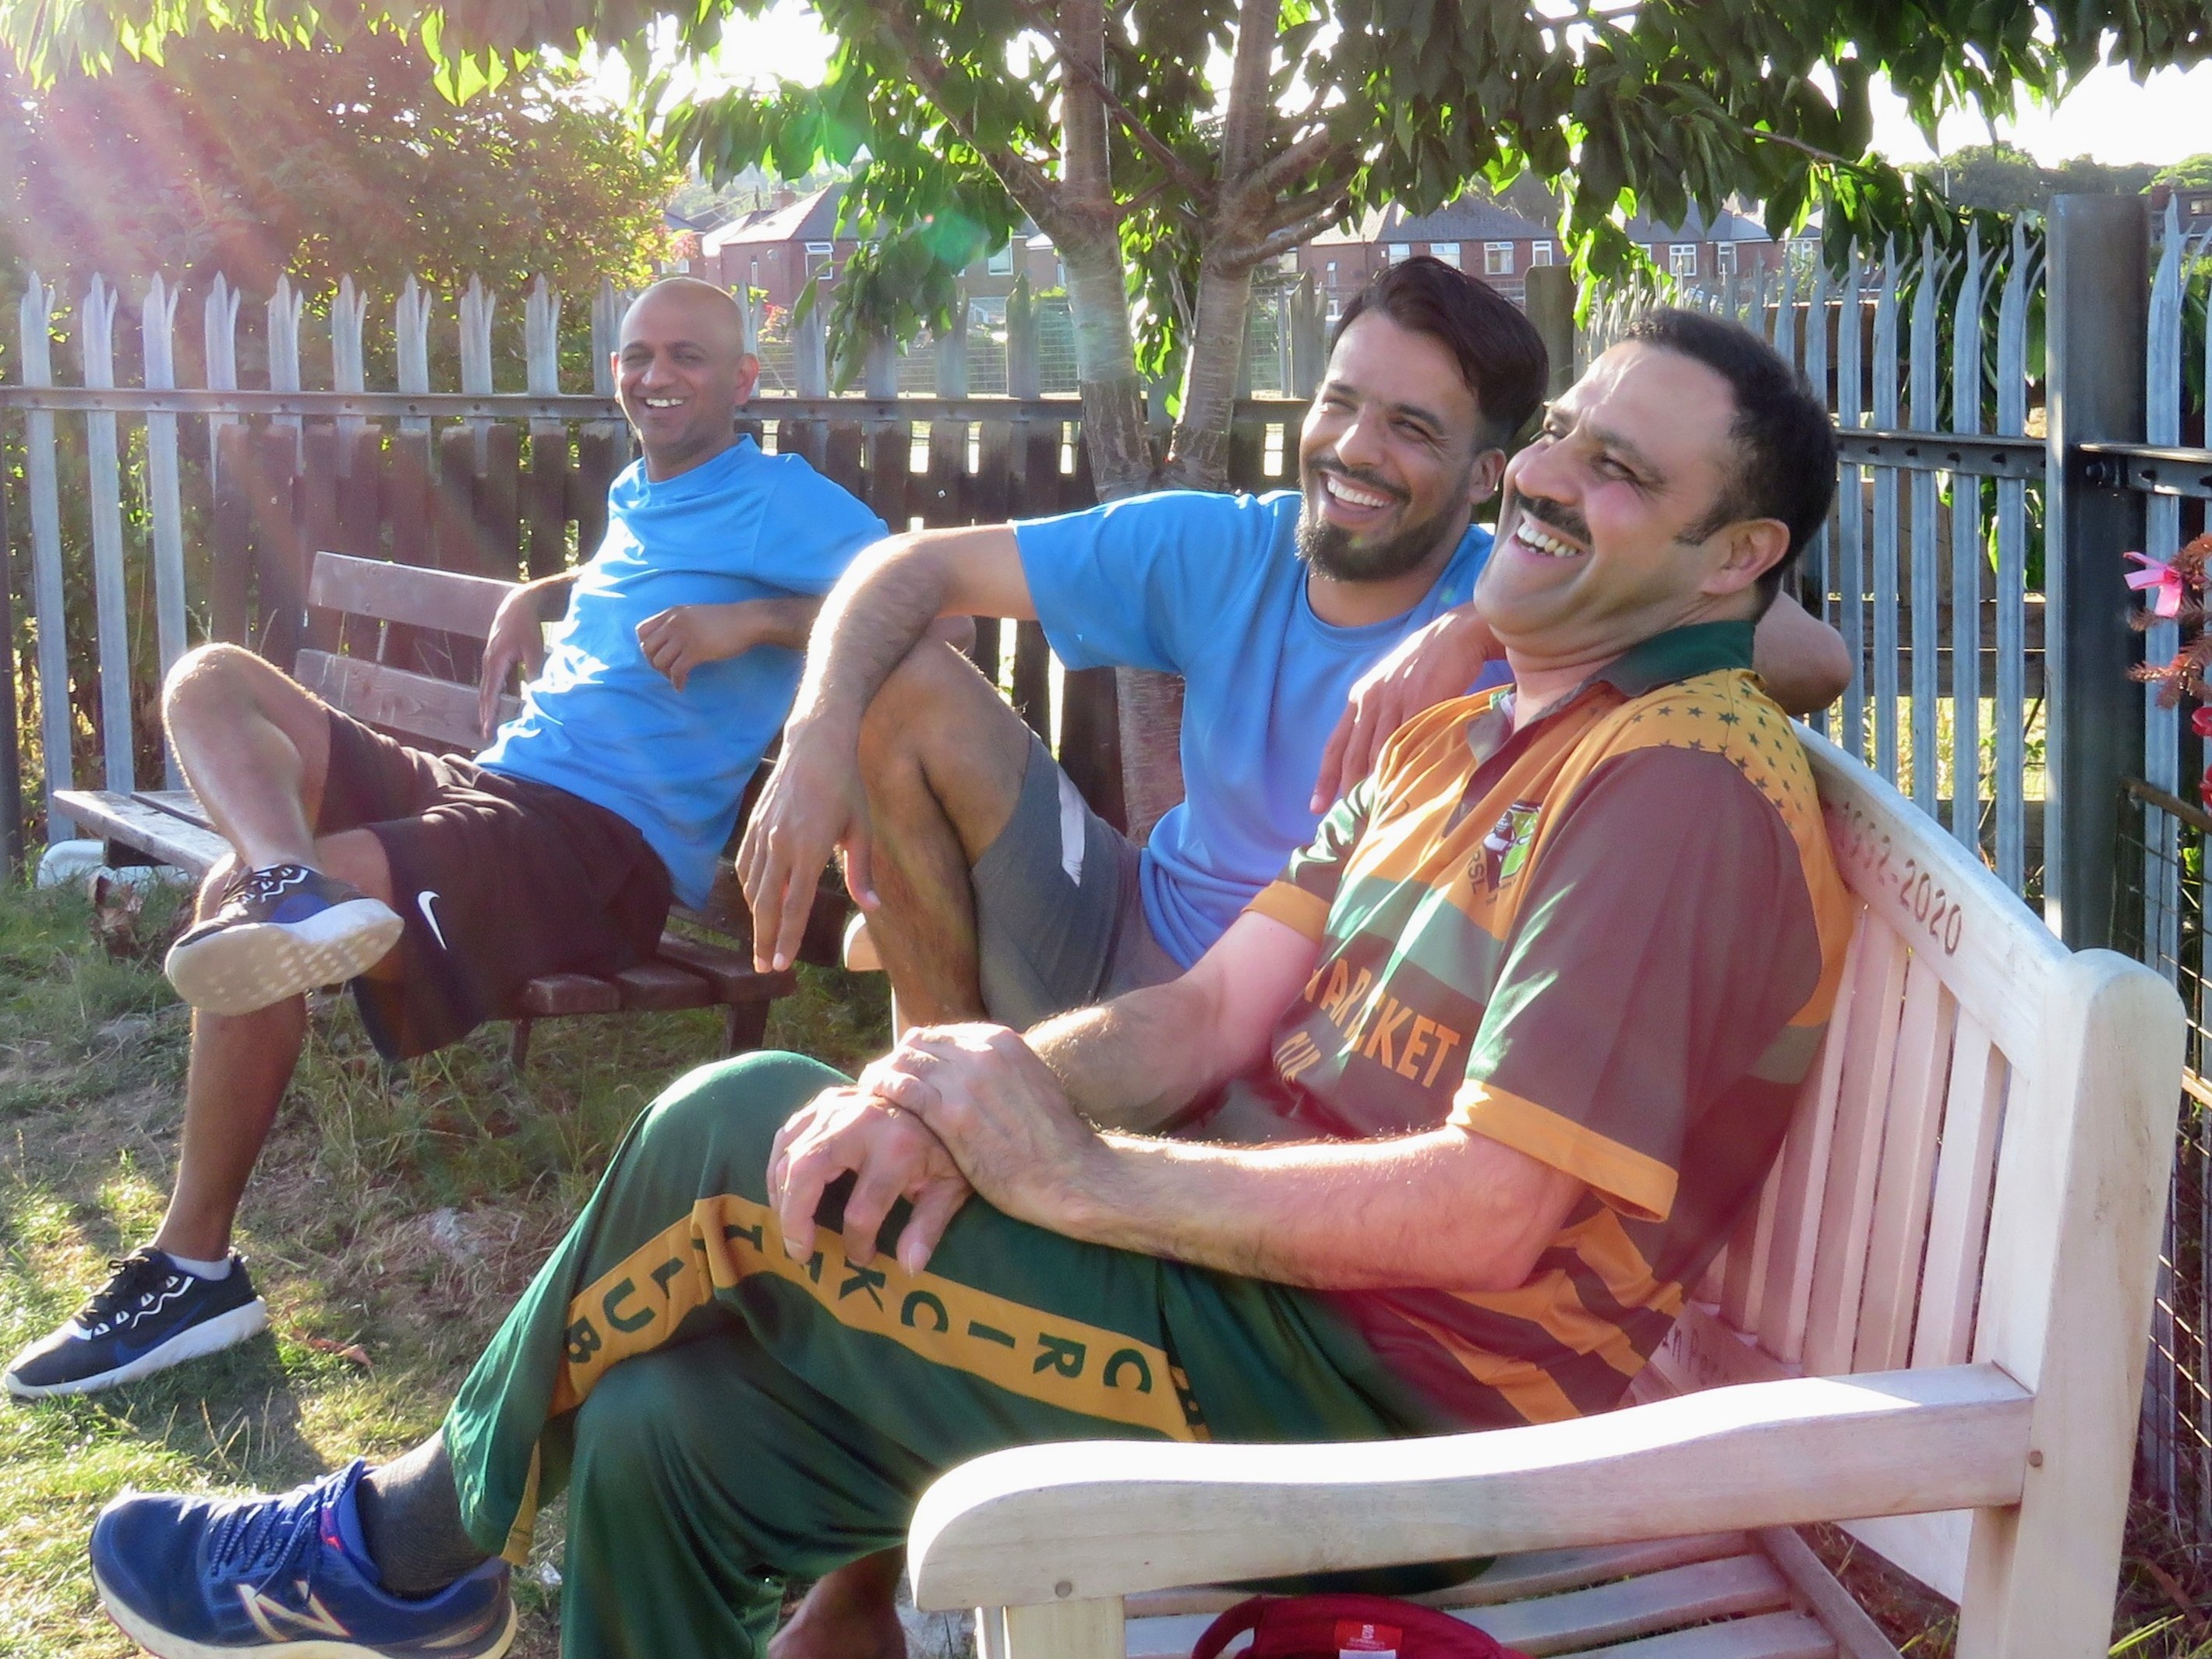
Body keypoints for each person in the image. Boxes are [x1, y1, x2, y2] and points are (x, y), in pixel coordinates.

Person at [86, 308, 1857, 1659]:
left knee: (729, 1129)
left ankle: (398, 1544)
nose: (1551, 478)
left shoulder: (1673, 790)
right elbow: (1210, 1013)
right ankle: (434, 1546)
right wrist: (958, 1095)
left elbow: (1488, 1216)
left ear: (1735, 555)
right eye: (1559, 439)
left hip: (1392, 1409)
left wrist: (1078, 1173)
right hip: (1243, 1286)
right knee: (662, 1431)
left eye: (1619, 472)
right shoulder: (1465, 714)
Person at [3, 278, 889, 1402]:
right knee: (213, 682)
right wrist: (546, 587)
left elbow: (934, 606)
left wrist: (756, 621)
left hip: (590, 846)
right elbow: (647, 570)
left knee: (229, 896)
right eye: (635, 355)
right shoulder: (644, 484)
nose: (653, 376)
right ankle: (290, 885)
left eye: (687, 357)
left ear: (745, 380)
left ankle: (195, 1268)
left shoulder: (784, 500)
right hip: (491, 785)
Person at [737, 257, 1853, 1043]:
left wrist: (1469, 627)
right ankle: (938, 1095)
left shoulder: (1540, 591)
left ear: (1484, 475)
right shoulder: (1218, 543)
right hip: (1123, 923)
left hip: (1298, 1027)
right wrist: (815, 738)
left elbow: (1812, 662)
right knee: (901, 686)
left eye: (1412, 429)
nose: (1355, 450)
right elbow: (907, 567)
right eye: (1340, 404)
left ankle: (975, 1131)